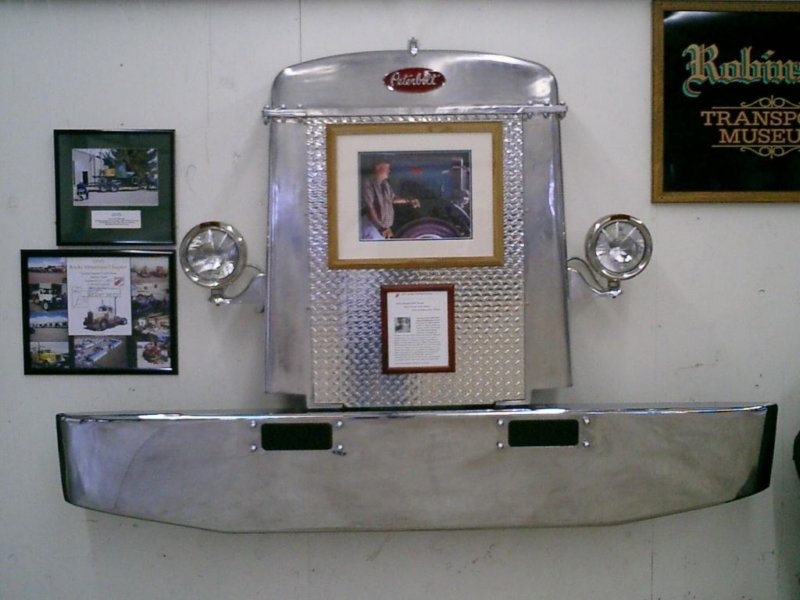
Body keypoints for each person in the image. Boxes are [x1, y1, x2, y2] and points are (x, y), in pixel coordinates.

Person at [360, 158, 420, 240]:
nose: (389, 171)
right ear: (378, 168)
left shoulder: (385, 184)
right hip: (372, 227)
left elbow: (392, 199)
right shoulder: (367, 183)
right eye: (387, 168)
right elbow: (370, 207)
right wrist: (381, 228)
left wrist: (409, 200)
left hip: (381, 229)